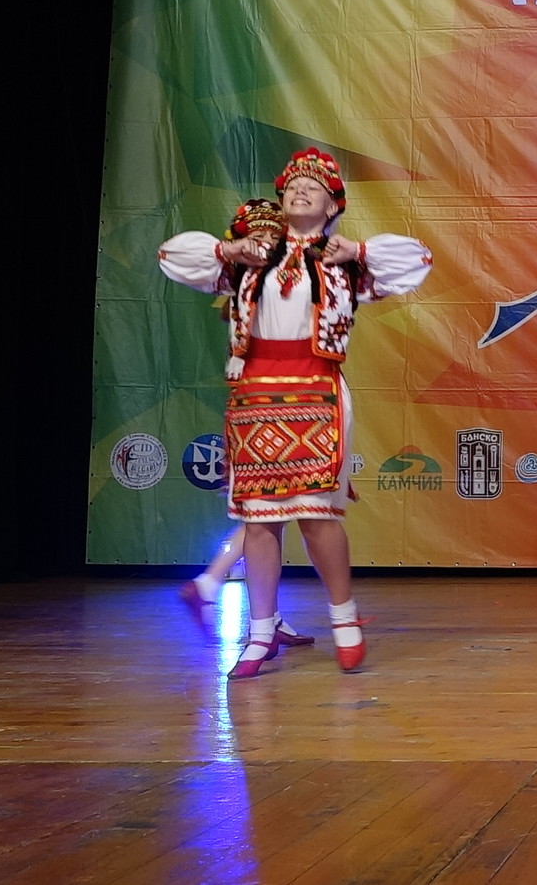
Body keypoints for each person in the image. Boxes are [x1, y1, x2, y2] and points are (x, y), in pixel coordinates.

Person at [158, 151, 431, 679]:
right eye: (292, 186)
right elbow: (170, 255)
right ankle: (260, 632)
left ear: (332, 206)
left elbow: (419, 260)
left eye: (314, 187)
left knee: (315, 514)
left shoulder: (344, 260)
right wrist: (227, 248)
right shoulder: (251, 256)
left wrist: (360, 249)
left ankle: (344, 617)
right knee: (260, 519)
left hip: (317, 389)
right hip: (255, 393)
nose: (301, 190)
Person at [173, 199, 316, 648]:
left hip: (280, 403)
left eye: (274, 235)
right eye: (258, 235)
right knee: (267, 512)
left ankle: (260, 610)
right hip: (265, 405)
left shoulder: (278, 277)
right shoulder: (243, 276)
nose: (267, 242)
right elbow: (172, 255)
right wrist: (229, 252)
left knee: (273, 514)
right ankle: (213, 583)